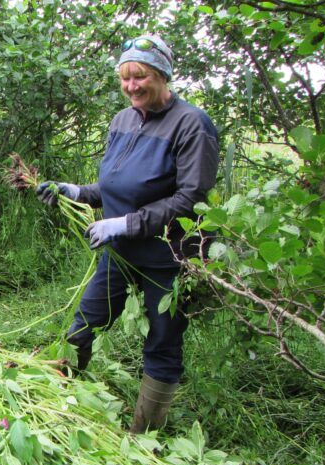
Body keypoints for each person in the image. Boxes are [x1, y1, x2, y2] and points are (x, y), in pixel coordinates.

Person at [36, 35, 219, 433]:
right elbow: (117, 187)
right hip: (119, 252)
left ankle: (144, 436)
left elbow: (191, 199)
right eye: (125, 77)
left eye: (142, 76)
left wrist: (125, 223)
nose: (132, 86)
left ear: (164, 75)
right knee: (85, 322)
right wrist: (75, 192)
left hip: (168, 256)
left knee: (162, 339)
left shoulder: (192, 125)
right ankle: (57, 406)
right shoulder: (123, 120)